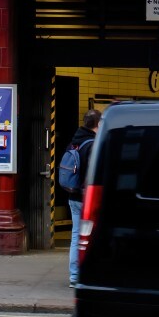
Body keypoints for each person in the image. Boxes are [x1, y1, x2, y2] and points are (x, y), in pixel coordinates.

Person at [61, 109, 101, 286]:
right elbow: (93, 173)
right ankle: (84, 275)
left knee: (76, 236)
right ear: (98, 124)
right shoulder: (92, 144)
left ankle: (74, 276)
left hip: (73, 196)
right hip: (87, 198)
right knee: (92, 237)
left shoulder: (74, 142)